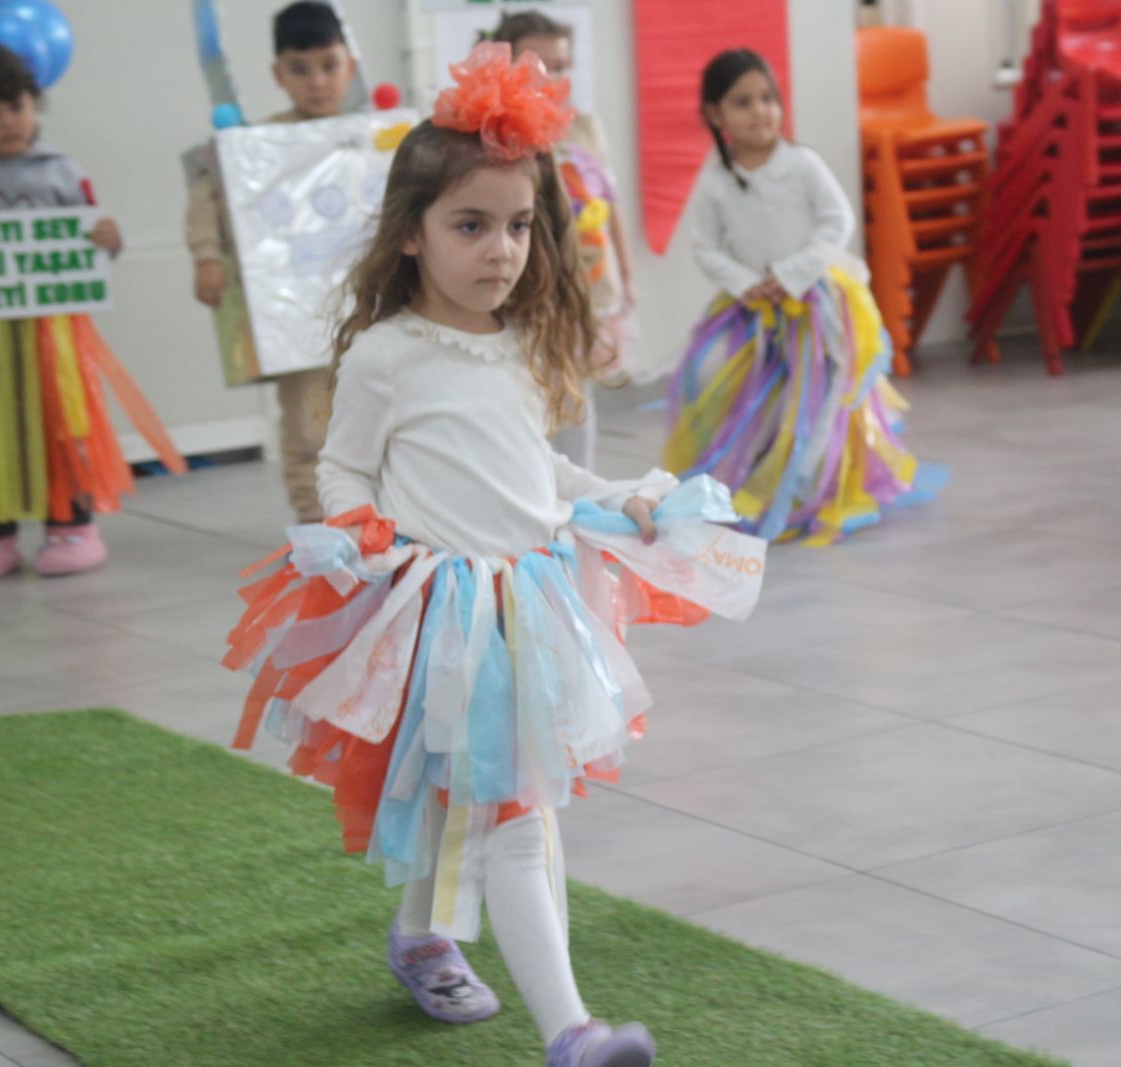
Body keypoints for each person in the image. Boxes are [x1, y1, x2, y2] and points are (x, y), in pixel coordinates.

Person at [225, 43, 765, 1067]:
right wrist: (357, 530)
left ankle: (421, 936)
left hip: (530, 608)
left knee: (488, 799)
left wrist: (618, 497)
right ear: (413, 234)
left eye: (518, 225)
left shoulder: (517, 342)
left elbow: (536, 469)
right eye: (470, 225)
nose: (501, 250)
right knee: (512, 814)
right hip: (442, 616)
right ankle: (572, 1035)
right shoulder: (387, 355)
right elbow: (343, 467)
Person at [0, 42, 184, 581]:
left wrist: (109, 240)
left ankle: (72, 528)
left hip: (54, 333)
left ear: (33, 102)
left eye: (15, 106)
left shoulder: (62, 172)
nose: (7, 122)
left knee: (63, 422)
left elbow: (90, 247)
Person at [664, 49, 929, 546]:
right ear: (715, 115)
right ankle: (757, 475)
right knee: (731, 383)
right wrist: (748, 283)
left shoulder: (802, 164)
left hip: (815, 304)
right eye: (743, 102)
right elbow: (705, 247)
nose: (761, 111)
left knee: (817, 392)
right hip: (753, 308)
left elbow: (837, 222)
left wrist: (790, 274)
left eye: (768, 98)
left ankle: (809, 484)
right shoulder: (716, 179)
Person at [185, 0, 360, 523]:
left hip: (370, 310)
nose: (318, 82)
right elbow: (209, 196)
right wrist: (206, 256)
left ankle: (385, 521)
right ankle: (316, 525)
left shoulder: (372, 136)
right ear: (278, 74)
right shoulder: (256, 146)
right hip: (297, 319)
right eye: (300, 69)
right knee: (307, 428)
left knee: (381, 417)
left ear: (349, 65)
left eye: (329, 65)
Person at [486, 10, 637, 469]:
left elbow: (609, 203)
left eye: (560, 66)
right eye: (538, 65)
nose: (552, 78)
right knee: (527, 386)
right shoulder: (496, 132)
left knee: (576, 389)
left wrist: (626, 276)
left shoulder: (585, 128)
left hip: (587, 281)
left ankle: (577, 488)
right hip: (528, 285)